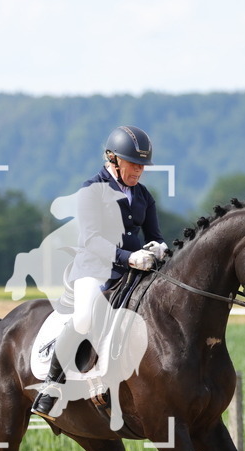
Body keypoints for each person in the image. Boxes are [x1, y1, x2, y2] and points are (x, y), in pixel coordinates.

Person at [31, 125, 169, 420]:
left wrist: (159, 248)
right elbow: (91, 240)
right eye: (133, 164)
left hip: (133, 272)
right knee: (84, 317)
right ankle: (51, 385)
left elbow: (154, 234)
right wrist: (130, 257)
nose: (139, 171)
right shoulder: (92, 190)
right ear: (113, 159)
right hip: (94, 269)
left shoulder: (143, 194)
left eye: (142, 166)